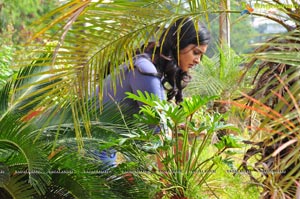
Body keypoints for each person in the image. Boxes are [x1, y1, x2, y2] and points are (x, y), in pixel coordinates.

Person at [95, 17, 211, 167]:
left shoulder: (146, 64)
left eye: (201, 55)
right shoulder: (146, 72)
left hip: (98, 151)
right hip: (87, 156)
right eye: (196, 52)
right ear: (178, 45)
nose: (198, 60)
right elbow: (161, 141)